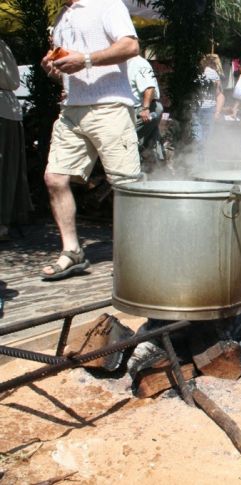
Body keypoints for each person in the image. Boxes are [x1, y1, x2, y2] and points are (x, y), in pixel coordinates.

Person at [41, 0, 140, 280]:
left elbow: (131, 46)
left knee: (126, 186)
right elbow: (67, 68)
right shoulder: (61, 17)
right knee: (55, 178)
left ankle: (135, 255)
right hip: (72, 109)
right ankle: (72, 252)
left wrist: (84, 59)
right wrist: (54, 69)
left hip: (110, 106)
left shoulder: (107, 4)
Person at [0, 39, 31, 242]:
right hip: (7, 110)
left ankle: (2, 222)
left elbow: (11, 80)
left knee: (4, 170)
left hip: (4, 111)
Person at [127, 54, 164, 167]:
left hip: (143, 109)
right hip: (141, 108)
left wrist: (145, 108)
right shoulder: (127, 63)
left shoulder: (138, 63)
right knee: (147, 144)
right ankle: (153, 173)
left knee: (129, 142)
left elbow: (149, 87)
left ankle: (137, 173)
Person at [192, 53, 224, 160]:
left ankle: (206, 164)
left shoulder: (212, 73)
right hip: (195, 110)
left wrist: (217, 112)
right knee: (197, 139)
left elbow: (219, 95)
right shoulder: (190, 74)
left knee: (207, 139)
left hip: (209, 109)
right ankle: (198, 164)